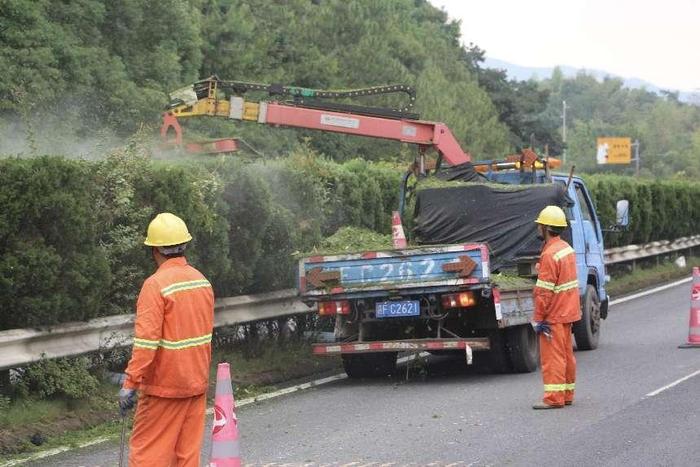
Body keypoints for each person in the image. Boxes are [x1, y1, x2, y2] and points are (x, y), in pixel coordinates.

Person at [119, 213, 215, 465]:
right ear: (184, 246)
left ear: (155, 250)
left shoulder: (156, 285)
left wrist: (130, 382)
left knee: (147, 456)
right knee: (185, 458)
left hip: (164, 388)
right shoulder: (202, 282)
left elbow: (147, 343)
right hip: (195, 385)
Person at [531, 205, 580, 410]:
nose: (538, 229)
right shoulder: (566, 249)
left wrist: (539, 318)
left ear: (546, 228)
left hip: (554, 315)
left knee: (553, 358)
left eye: (540, 225)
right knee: (567, 356)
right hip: (568, 312)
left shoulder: (550, 254)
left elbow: (544, 292)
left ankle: (553, 398)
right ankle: (566, 394)